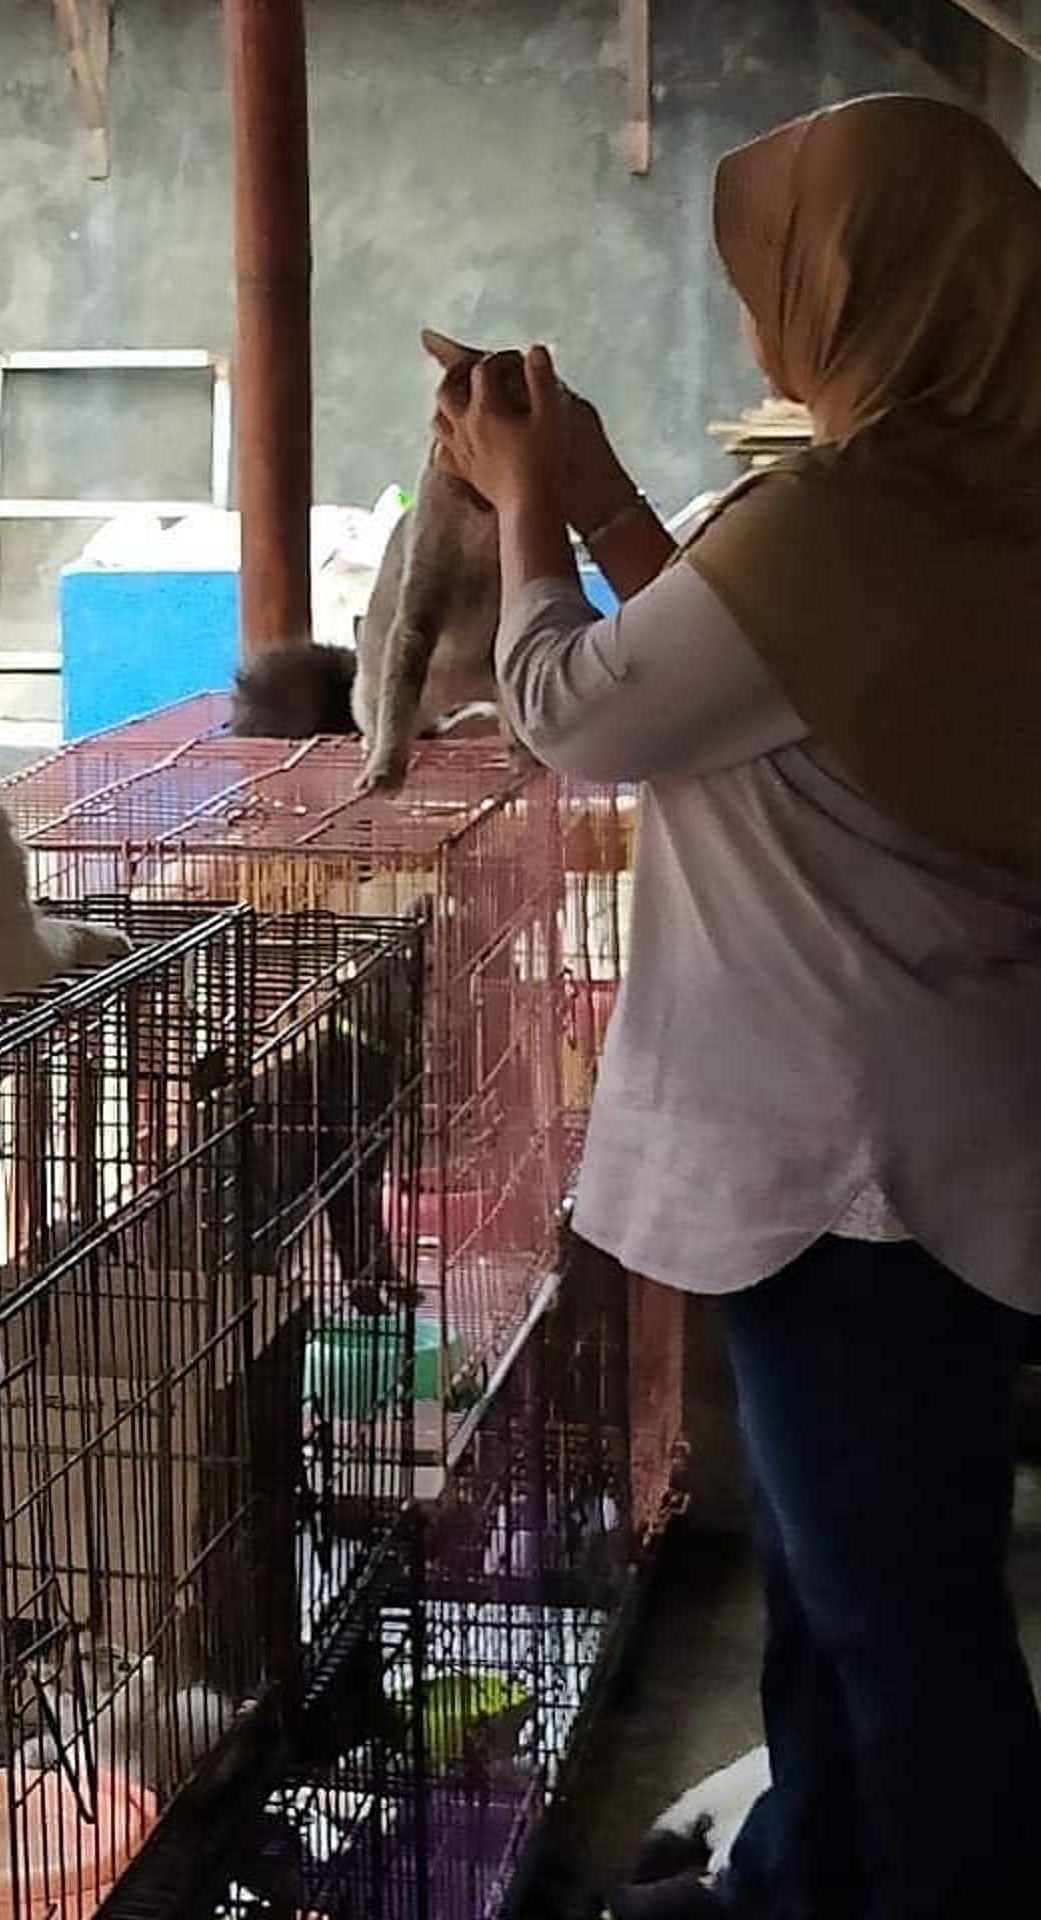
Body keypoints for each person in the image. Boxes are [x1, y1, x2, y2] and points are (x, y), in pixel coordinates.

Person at [432, 95, 1041, 1920]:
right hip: (929, 1132)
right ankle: (801, 1881)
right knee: (852, 1571)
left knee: (894, 1613)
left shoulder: (858, 524)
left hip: (850, 1162)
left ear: (871, 287)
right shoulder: (973, 500)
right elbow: (747, 667)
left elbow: (582, 711)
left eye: (783, 274)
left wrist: (528, 504)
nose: (767, 312)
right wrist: (603, 487)